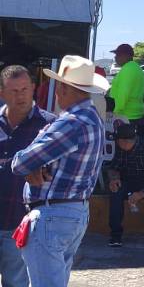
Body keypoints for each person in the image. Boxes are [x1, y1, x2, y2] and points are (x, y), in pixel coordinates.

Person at [11, 55, 109, 287]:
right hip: (72, 211)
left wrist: (32, 166)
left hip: (52, 213)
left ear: (64, 88)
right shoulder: (92, 117)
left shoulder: (72, 122)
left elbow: (21, 163)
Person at [0, 66, 56, 287]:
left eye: (24, 89)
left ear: (33, 88)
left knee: (16, 282)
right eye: (14, 91)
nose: (20, 95)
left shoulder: (49, 125)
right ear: (2, 92)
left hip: (21, 222)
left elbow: (58, 171)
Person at [108, 43, 144, 122]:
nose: (115, 57)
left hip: (125, 115)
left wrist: (115, 112)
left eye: (118, 55)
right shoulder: (137, 68)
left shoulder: (127, 69)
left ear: (126, 56)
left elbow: (123, 93)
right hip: (134, 113)